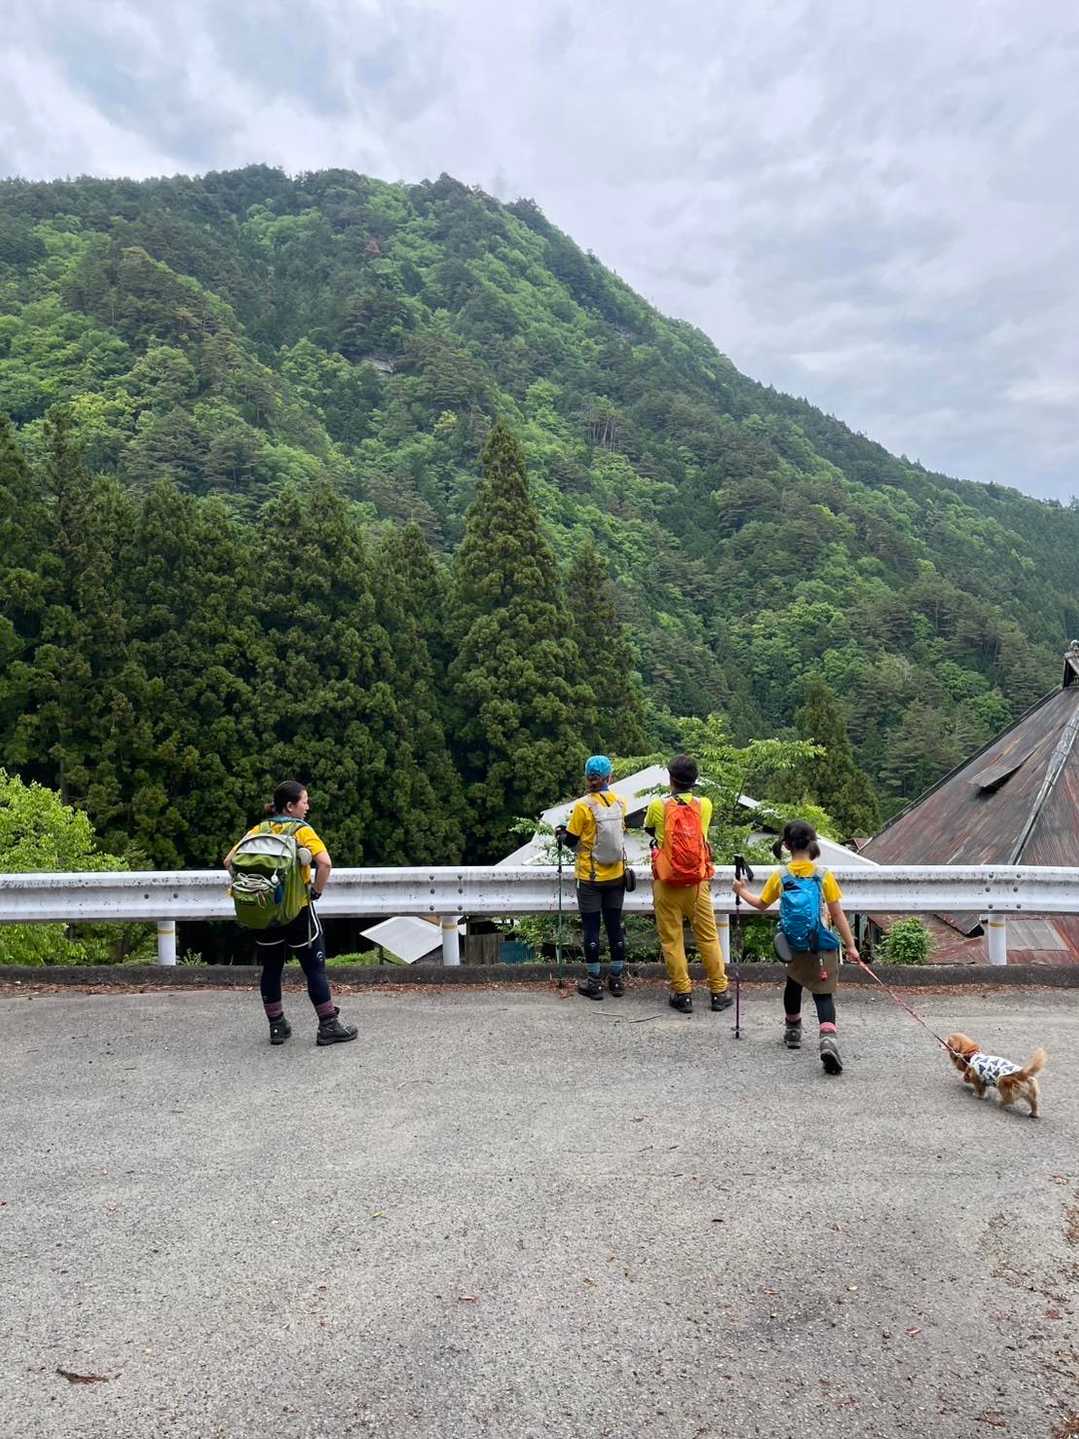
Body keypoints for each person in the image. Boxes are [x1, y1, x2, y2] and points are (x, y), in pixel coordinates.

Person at [225, 780, 357, 1047]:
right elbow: (325, 863)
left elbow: (230, 861)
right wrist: (316, 891)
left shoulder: (259, 829)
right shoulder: (301, 831)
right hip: (298, 911)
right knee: (314, 968)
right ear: (290, 806)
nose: (307, 807)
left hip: (265, 912)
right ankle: (328, 1025)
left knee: (271, 968)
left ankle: (277, 1026)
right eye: (304, 802)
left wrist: (256, 888)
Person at [733, 819, 859, 1075]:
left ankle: (792, 1030)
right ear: (812, 843)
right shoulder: (823, 875)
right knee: (823, 993)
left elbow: (760, 904)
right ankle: (828, 1040)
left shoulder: (781, 875)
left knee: (793, 984)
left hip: (793, 944)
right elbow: (837, 914)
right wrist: (851, 945)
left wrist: (741, 890)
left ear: (787, 845)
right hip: (820, 944)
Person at [643, 754, 732, 1015]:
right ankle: (719, 992)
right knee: (708, 937)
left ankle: (682, 994)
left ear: (670, 778)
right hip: (697, 882)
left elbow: (649, 830)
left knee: (672, 939)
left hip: (666, 882)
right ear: (695, 780)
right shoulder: (705, 805)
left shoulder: (658, 806)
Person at [555, 755, 628, 1000]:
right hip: (616, 875)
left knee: (592, 928)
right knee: (615, 926)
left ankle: (594, 982)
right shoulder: (620, 802)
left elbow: (571, 840)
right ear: (609, 777)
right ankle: (616, 979)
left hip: (590, 877)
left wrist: (561, 834)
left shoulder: (582, 806)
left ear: (588, 777)